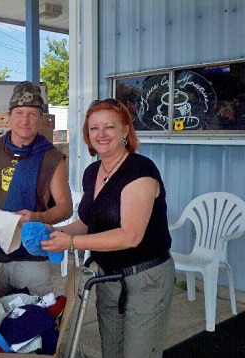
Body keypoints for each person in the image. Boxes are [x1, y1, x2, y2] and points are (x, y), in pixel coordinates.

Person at [41, 98, 175, 357]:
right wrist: (56, 233)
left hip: (145, 279)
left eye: (109, 127)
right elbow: (90, 223)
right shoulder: (92, 172)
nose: (101, 135)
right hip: (107, 278)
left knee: (139, 353)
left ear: (125, 131)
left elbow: (130, 236)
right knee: (110, 351)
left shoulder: (140, 170)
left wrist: (69, 243)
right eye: (94, 129)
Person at [0, 81, 72, 298]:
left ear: (41, 118)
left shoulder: (51, 157)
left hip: (30, 254)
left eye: (32, 114)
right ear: (9, 115)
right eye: (19, 112)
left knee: (35, 314)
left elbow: (66, 208)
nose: (25, 120)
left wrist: (38, 216)